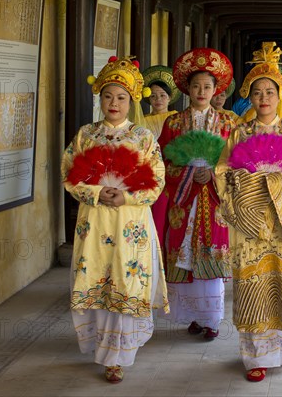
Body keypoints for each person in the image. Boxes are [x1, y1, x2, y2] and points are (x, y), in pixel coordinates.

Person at [215, 42, 282, 382]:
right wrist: (245, 183)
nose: (264, 98)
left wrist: (276, 181)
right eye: (258, 91)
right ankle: (255, 356)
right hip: (250, 224)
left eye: (270, 91)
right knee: (251, 286)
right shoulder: (240, 133)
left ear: (280, 95)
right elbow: (223, 173)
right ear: (250, 97)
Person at [61, 56, 168, 384]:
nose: (114, 103)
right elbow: (69, 171)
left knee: (126, 280)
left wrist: (127, 195)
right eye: (108, 96)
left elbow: (158, 178)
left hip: (130, 224)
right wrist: (95, 192)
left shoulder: (143, 138)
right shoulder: (86, 135)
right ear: (100, 99)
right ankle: (101, 348)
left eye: (121, 97)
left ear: (131, 101)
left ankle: (118, 357)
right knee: (95, 278)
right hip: (94, 222)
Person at [159, 48, 236, 341]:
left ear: (217, 90)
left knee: (211, 258)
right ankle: (194, 315)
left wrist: (214, 172)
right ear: (187, 90)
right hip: (184, 199)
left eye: (207, 86)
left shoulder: (229, 124)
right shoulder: (173, 124)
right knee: (185, 258)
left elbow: (236, 162)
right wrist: (188, 172)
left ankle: (212, 319)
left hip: (214, 202)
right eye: (196, 86)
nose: (202, 91)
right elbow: (164, 161)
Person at [141, 65, 181, 251]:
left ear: (170, 97)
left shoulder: (176, 118)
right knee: (153, 215)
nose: (158, 100)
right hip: (149, 172)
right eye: (154, 95)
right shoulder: (142, 120)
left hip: (171, 172)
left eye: (162, 95)